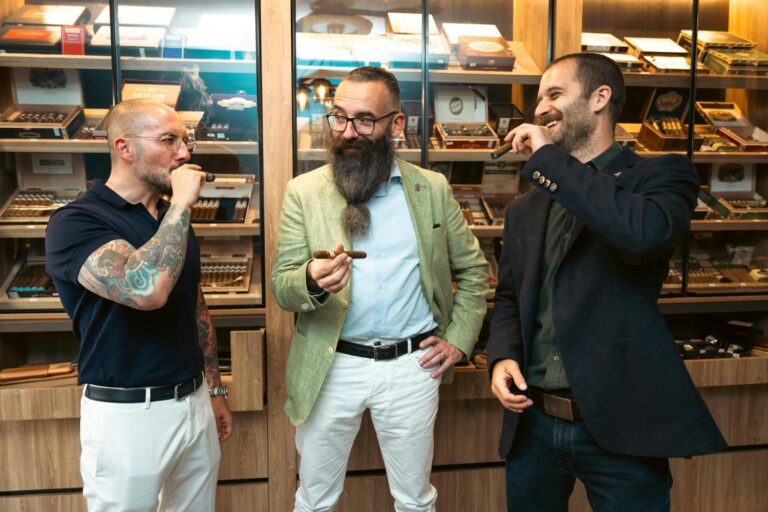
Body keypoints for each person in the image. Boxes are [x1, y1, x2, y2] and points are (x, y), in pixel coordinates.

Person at [487, 53, 726, 512]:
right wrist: (502, 358)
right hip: (533, 423)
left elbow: (640, 235)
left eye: (555, 94)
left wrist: (551, 161)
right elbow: (510, 297)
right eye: (538, 99)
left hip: (621, 427)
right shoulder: (527, 207)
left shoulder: (661, 177)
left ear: (600, 98)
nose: (541, 110)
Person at [271, 66, 489, 511]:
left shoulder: (431, 189)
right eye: (339, 117)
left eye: (365, 120)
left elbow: (474, 273)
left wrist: (459, 340)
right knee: (314, 499)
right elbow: (282, 285)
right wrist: (311, 280)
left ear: (397, 124)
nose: (349, 132)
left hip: (412, 366)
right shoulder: (304, 192)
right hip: (331, 366)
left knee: (414, 499)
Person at [45, 99, 233, 511]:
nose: (184, 153)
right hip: (127, 416)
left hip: (193, 404)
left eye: (185, 141)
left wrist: (214, 389)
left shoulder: (168, 218)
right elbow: (146, 289)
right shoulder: (76, 221)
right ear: (124, 148)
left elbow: (194, 306)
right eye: (169, 140)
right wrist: (183, 203)